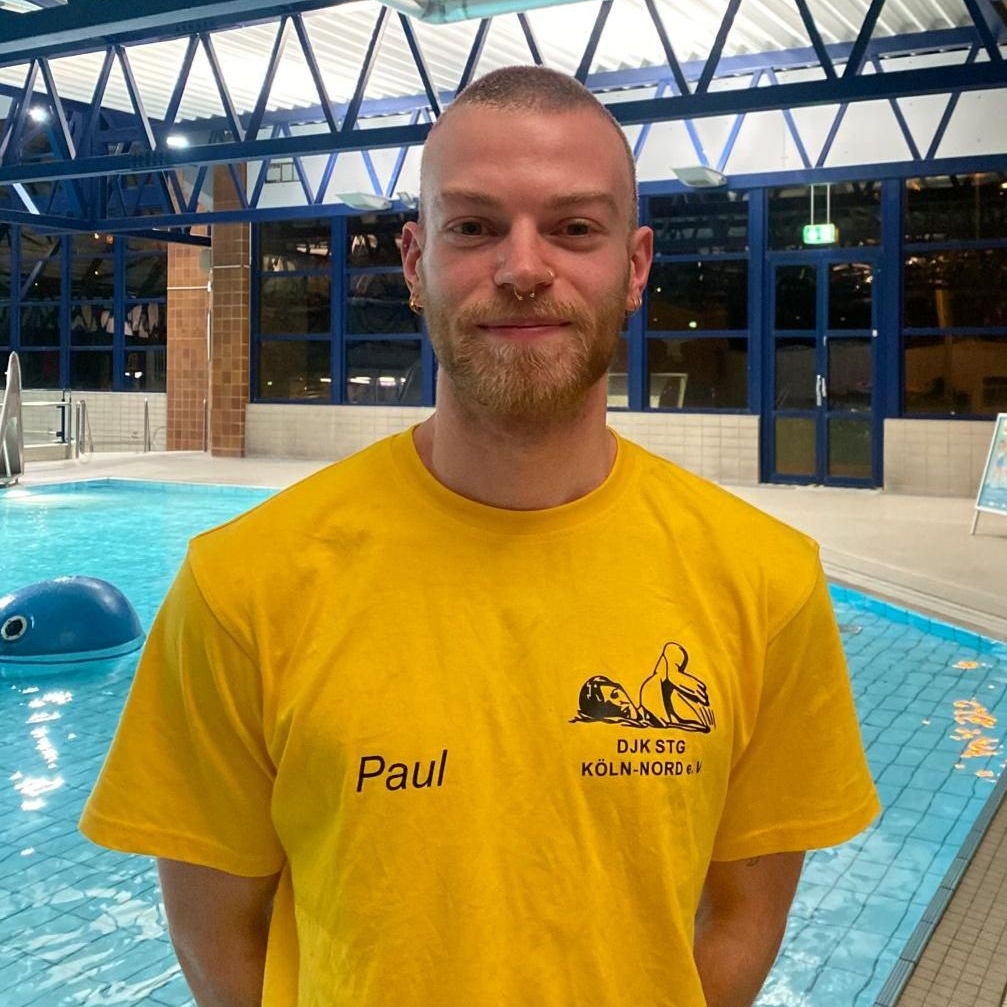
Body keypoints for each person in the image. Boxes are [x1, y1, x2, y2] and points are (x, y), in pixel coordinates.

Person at [80, 65, 880, 1007]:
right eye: (473, 226)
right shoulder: (242, 583)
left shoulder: (766, 582)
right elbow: (217, 934)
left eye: (574, 228)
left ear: (634, 267)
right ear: (414, 261)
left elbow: (743, 917)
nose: (523, 268)